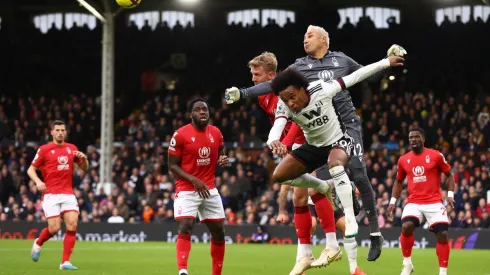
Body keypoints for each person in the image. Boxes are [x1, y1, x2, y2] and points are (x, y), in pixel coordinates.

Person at [225, 24, 407, 261]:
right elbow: (276, 93)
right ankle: (330, 227)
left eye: (309, 35)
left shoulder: (340, 61)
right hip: (317, 130)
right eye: (303, 36)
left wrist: (386, 61)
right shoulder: (298, 67)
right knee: (309, 178)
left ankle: (373, 234)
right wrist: (244, 93)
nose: (305, 39)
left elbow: (365, 76)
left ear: (324, 39)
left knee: (357, 174)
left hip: (346, 123)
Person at [247, 52, 351, 275]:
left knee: (309, 193)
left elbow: (298, 117)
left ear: (271, 75)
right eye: (252, 74)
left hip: (309, 138)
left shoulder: (285, 91)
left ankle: (329, 247)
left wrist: (285, 142)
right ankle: (305, 256)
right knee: (300, 196)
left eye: (257, 74)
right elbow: (282, 120)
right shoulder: (263, 96)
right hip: (292, 142)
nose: (253, 79)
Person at [168, 98, 229, 275]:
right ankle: (183, 271)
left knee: (218, 232)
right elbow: (172, 166)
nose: (203, 112)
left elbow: (221, 151)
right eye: (198, 109)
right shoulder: (180, 135)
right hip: (187, 189)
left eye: (205, 109)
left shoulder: (216, 132)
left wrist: (222, 158)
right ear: (190, 115)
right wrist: (193, 180)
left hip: (209, 189)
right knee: (185, 226)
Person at [387, 128, 455, 275]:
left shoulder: (436, 156)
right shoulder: (403, 160)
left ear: (423, 139)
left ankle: (443, 272)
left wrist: (450, 195)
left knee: (442, 234)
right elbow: (398, 182)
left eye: (417, 137)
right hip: (414, 201)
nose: (413, 140)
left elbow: (450, 175)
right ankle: (407, 264)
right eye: (411, 138)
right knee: (406, 225)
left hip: (434, 201)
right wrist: (392, 202)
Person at [28, 120, 89, 270]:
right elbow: (31, 169)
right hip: (50, 194)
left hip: (68, 193)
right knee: (54, 228)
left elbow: (83, 168)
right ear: (52, 132)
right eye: (58, 130)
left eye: (63, 130)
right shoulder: (44, 149)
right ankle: (38, 243)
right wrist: (37, 181)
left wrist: (85, 158)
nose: (60, 132)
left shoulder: (72, 148)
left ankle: (65, 262)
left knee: (72, 224)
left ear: (65, 132)